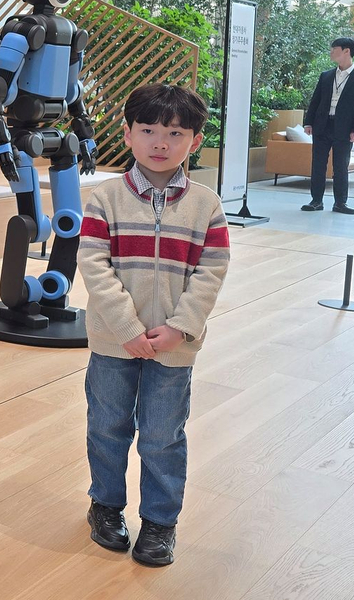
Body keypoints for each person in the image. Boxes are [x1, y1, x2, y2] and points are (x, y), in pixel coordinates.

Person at [76, 84, 232, 567]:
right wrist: (125, 327)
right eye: (147, 130)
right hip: (112, 342)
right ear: (126, 134)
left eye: (174, 132)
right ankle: (105, 506)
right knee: (107, 426)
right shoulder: (103, 200)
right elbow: (94, 267)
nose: (159, 142)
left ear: (195, 140)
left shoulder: (206, 205)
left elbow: (213, 269)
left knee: (164, 434)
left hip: (174, 347)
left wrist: (181, 328)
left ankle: (160, 522)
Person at [301, 37, 354, 215]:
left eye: (335, 48)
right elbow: (315, 100)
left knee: (340, 166)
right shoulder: (326, 75)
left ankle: (340, 203)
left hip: (345, 128)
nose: (331, 51)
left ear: (346, 51)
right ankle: (316, 201)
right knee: (318, 165)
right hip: (322, 125)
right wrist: (308, 122)